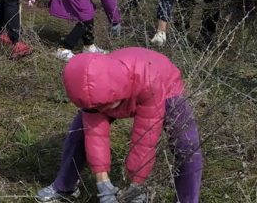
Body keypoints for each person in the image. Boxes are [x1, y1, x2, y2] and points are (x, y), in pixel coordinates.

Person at [35, 49, 202, 203]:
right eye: (95, 108)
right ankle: (65, 186)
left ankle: (186, 199)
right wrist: (103, 184)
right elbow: (95, 136)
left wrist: (137, 185)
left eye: (105, 107)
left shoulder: (150, 85)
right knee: (78, 133)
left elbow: (145, 139)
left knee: (187, 145)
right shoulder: (92, 89)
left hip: (163, 85)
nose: (101, 111)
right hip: (107, 89)